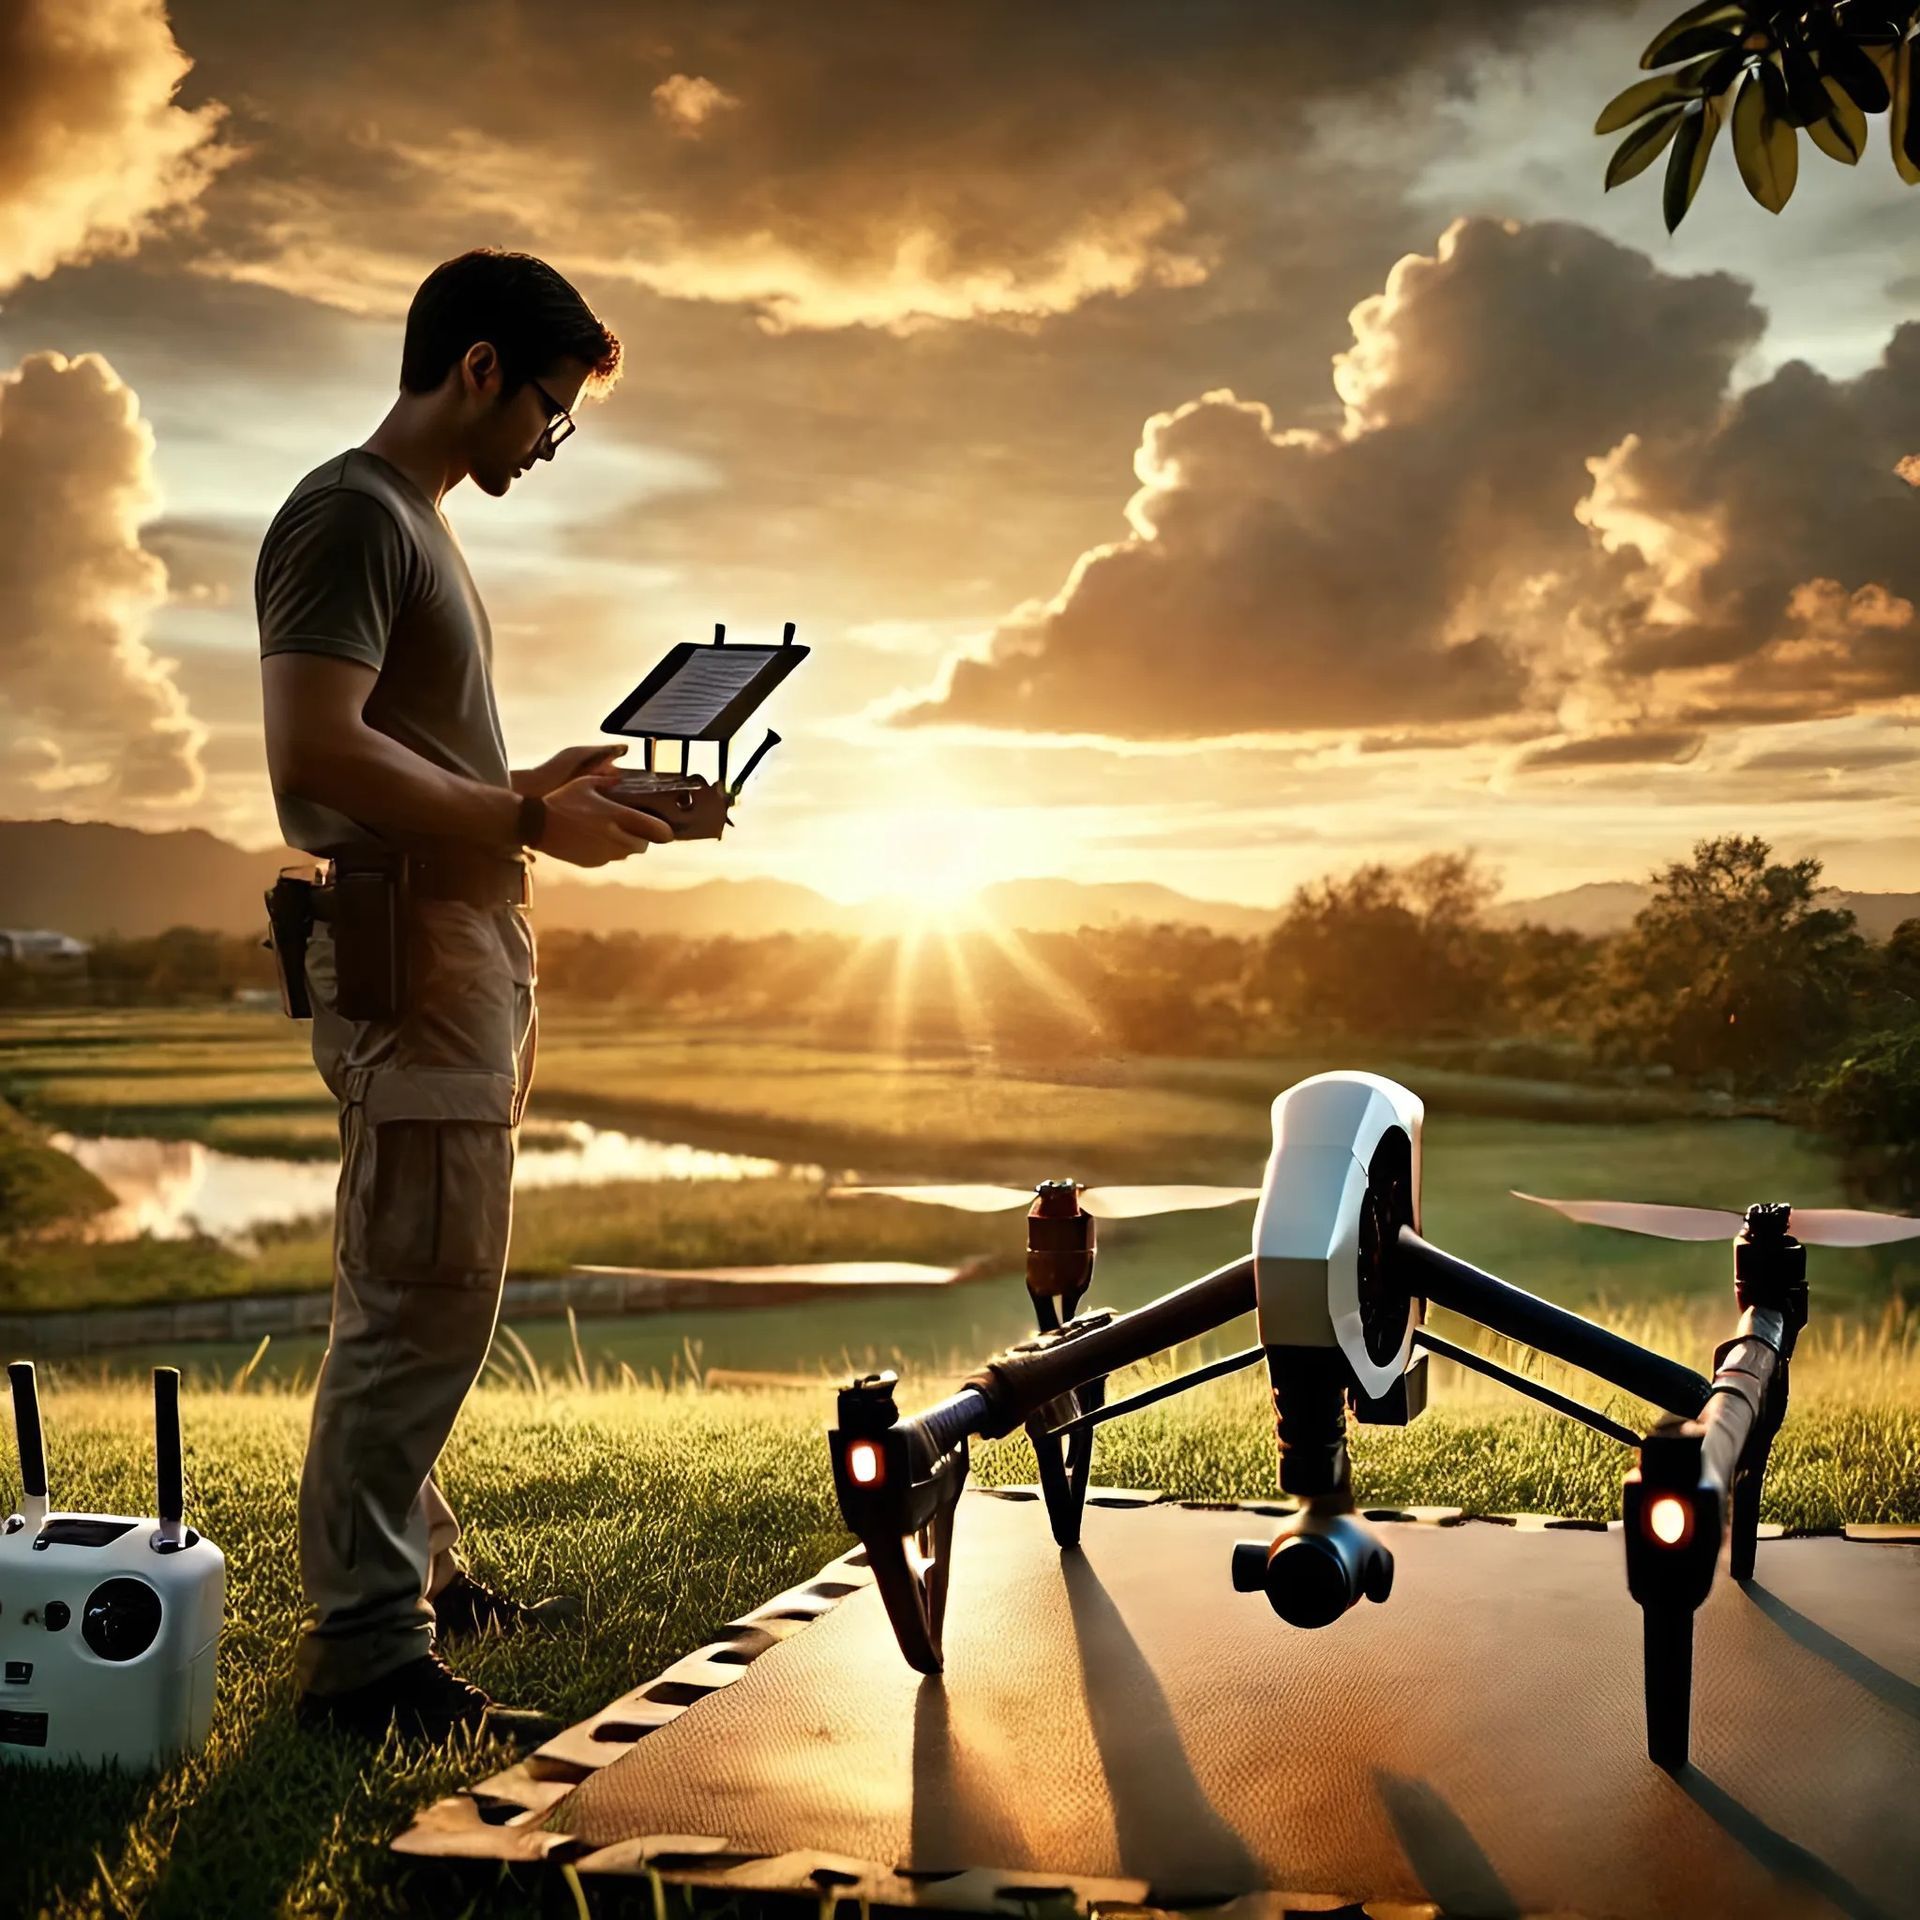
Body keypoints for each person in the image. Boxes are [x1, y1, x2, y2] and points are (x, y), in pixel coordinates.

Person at [254, 247, 673, 1743]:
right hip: (412, 950)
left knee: (415, 1273)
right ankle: (368, 1659)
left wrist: (527, 789)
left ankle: (415, 1569)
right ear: (480, 367)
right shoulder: (349, 514)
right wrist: (514, 822)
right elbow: (314, 759)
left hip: (456, 946)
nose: (543, 448)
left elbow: (406, 757)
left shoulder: (415, 526)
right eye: (546, 413)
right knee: (426, 1291)